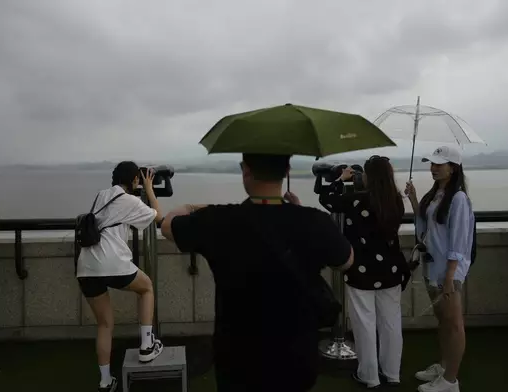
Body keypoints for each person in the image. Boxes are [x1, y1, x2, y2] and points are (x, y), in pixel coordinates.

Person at [161, 153, 355, 392]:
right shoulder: (314, 221)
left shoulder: (219, 220)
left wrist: (190, 207)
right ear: (287, 171)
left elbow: (168, 226)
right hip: (296, 356)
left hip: (238, 358)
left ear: (246, 170)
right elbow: (346, 261)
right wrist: (300, 213)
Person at [319, 155, 410, 389]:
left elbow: (327, 199)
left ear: (369, 176)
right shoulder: (396, 200)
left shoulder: (356, 200)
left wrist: (341, 178)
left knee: (364, 324)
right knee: (391, 323)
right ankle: (392, 373)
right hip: (391, 269)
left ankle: (368, 376)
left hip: (361, 271)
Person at [76, 161, 165, 392]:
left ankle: (105, 382)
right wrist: (149, 189)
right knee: (146, 288)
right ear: (135, 179)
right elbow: (158, 217)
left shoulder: (100, 195)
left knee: (105, 324)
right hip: (113, 263)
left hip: (86, 267)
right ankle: (147, 346)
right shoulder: (129, 200)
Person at [405, 145, 474, 392]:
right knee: (443, 321)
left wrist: (450, 276)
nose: (433, 168)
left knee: (454, 323)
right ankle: (443, 367)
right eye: (431, 164)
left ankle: (450, 381)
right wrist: (414, 199)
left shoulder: (458, 198)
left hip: (448, 271)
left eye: (438, 164)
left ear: (453, 168)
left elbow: (459, 240)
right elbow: (426, 227)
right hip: (433, 268)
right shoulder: (436, 195)